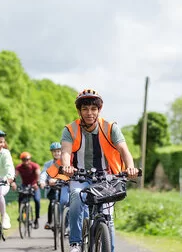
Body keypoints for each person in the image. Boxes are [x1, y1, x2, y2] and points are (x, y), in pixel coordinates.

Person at [60, 89, 140, 252]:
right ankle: (75, 243)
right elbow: (66, 152)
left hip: (107, 178)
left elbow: (125, 151)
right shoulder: (70, 129)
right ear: (79, 111)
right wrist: (67, 166)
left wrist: (130, 167)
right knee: (75, 196)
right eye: (85, 109)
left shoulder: (110, 128)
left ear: (99, 110)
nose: (89, 113)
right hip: (80, 176)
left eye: (93, 109)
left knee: (108, 218)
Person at [40, 142, 70, 230]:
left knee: (65, 203)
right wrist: (42, 181)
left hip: (63, 185)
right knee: (52, 202)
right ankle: (49, 222)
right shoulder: (48, 164)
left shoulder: (65, 162)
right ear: (52, 153)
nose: (56, 153)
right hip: (52, 187)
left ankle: (66, 224)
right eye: (54, 152)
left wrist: (56, 179)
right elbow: (44, 173)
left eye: (58, 151)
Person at [13, 151, 41, 229]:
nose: (26, 161)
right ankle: (22, 214)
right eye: (24, 160)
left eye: (27, 159)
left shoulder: (34, 166)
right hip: (24, 185)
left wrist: (37, 183)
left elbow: (38, 173)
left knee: (37, 200)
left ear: (30, 159)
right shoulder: (19, 167)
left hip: (34, 185)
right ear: (21, 160)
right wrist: (13, 182)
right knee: (21, 200)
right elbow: (15, 175)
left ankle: (36, 219)